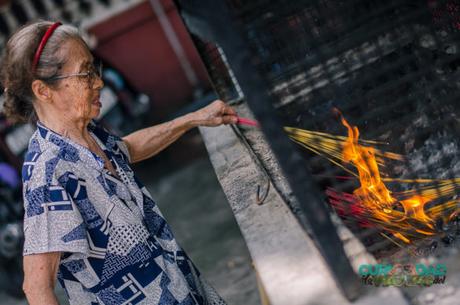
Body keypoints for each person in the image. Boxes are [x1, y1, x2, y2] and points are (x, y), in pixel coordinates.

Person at [0, 20, 238, 305]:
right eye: (85, 74)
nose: (98, 82)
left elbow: (126, 150)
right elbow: (37, 287)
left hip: (181, 288)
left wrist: (193, 119)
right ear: (43, 90)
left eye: (94, 69)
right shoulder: (48, 174)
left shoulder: (88, 134)